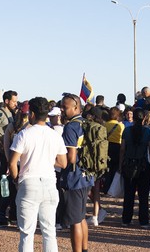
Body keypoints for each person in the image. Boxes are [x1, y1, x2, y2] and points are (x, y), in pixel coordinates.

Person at [9, 97, 67, 252]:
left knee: (27, 233)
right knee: (49, 231)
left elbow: (13, 162)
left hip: (29, 182)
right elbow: (63, 163)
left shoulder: (24, 134)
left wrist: (16, 180)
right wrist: (47, 158)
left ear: (32, 114)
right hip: (49, 183)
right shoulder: (55, 134)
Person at [60, 94, 94, 252]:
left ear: (75, 107)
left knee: (74, 220)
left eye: (64, 107)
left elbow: (71, 158)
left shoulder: (70, 127)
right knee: (81, 217)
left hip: (74, 177)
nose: (62, 109)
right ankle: (85, 249)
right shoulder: (86, 123)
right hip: (86, 175)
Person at [118, 107, 150, 228]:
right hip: (143, 165)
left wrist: (120, 165)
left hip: (128, 164)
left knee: (129, 194)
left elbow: (122, 149)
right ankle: (144, 220)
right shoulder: (148, 132)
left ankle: (126, 219)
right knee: (143, 195)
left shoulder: (127, 131)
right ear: (144, 118)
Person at [0, 90, 18, 227]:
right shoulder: (0, 113)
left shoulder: (10, 114)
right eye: (14, 101)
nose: (15, 103)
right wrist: (3, 147)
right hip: (0, 154)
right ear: (7, 101)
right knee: (2, 184)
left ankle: (2, 212)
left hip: (6, 152)